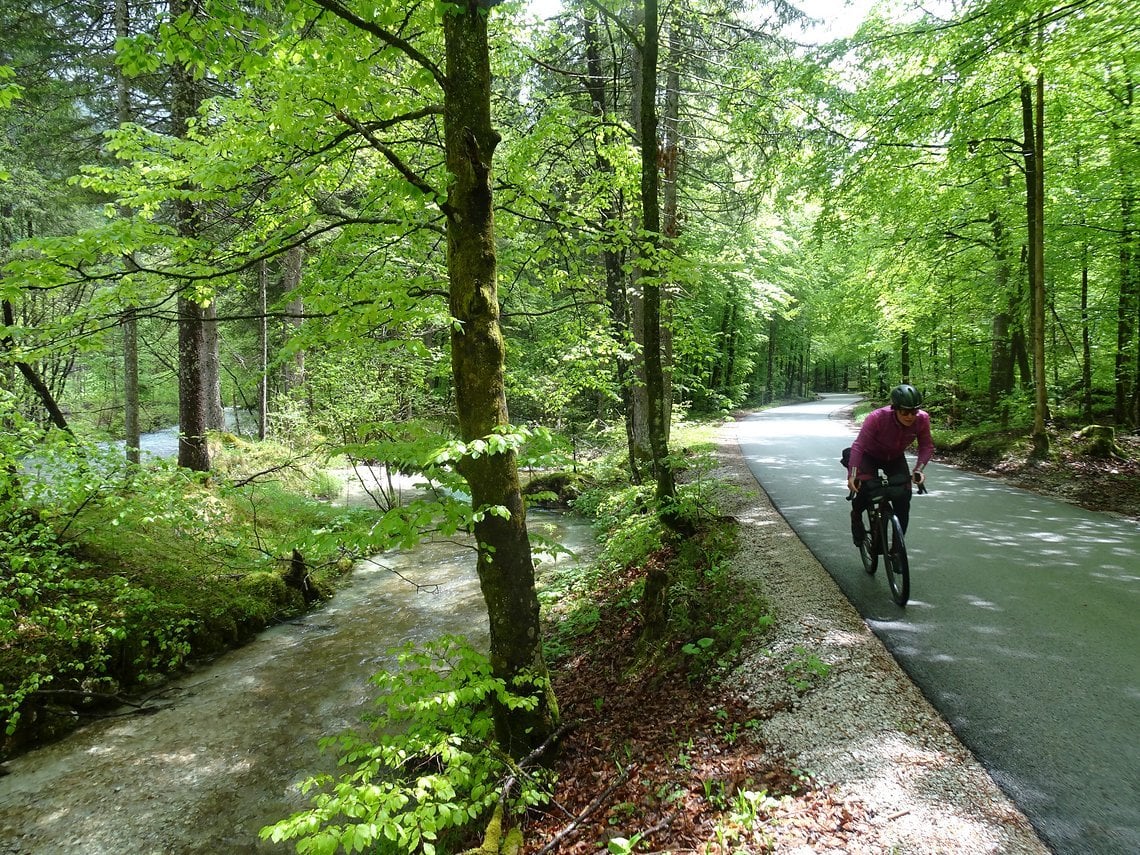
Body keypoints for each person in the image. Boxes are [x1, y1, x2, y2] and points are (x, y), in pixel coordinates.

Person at [847, 383, 933, 545]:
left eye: (914, 411)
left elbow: (926, 446)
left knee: (904, 497)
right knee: (864, 489)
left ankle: (896, 550)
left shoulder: (922, 419)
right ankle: (856, 516)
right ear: (895, 408)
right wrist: (852, 475)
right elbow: (858, 446)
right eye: (905, 412)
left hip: (894, 457)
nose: (910, 416)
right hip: (869, 455)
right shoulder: (877, 417)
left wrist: (919, 470)